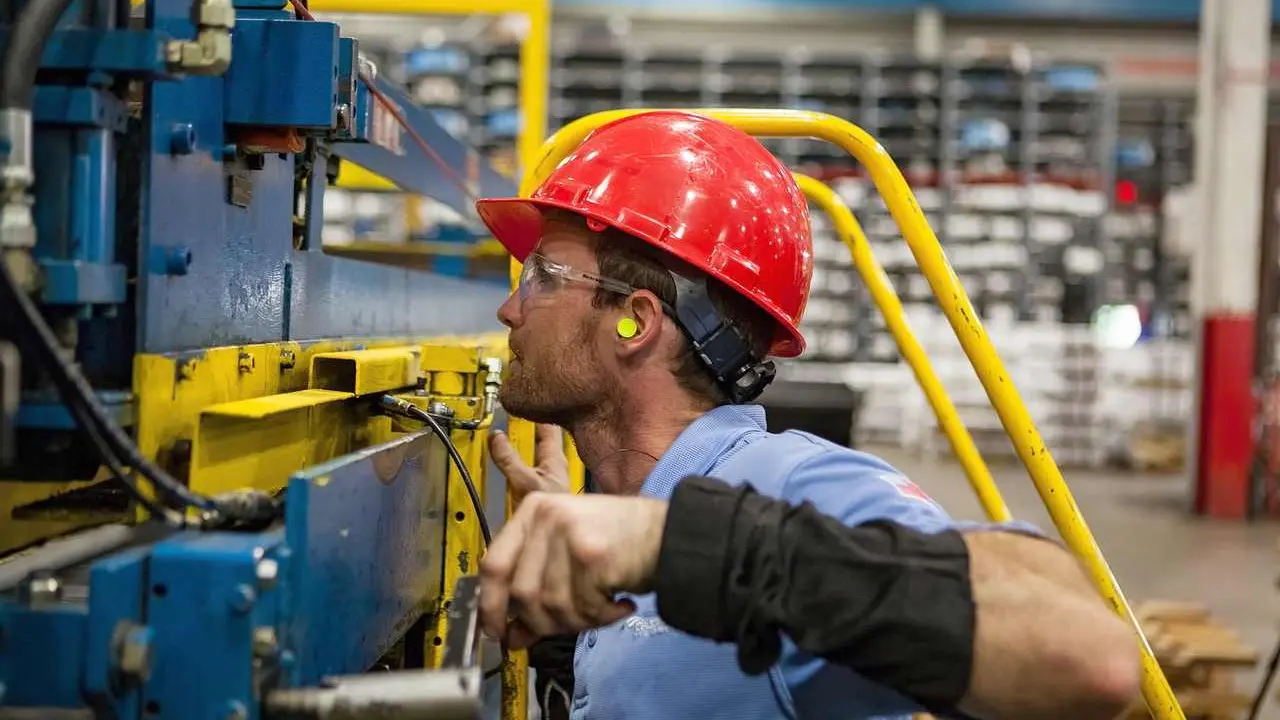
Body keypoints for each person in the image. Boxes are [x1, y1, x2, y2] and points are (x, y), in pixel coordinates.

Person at [472, 110, 1141, 720]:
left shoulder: (787, 481)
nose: (511, 309)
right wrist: (573, 618)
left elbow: (1089, 655)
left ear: (636, 321)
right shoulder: (622, 512)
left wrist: (676, 543)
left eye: (545, 277)